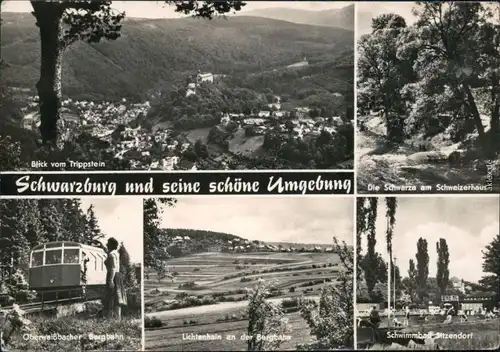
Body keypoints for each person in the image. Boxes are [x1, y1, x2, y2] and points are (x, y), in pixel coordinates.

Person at [94, 238, 127, 319]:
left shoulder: (111, 254)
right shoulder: (115, 253)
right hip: (118, 276)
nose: (106, 244)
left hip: (112, 275)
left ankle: (110, 318)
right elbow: (107, 251)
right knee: (117, 298)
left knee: (111, 297)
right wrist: (101, 244)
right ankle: (117, 318)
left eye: (107, 243)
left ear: (111, 245)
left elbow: (113, 267)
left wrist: (111, 279)